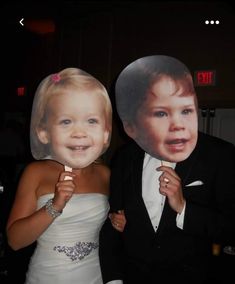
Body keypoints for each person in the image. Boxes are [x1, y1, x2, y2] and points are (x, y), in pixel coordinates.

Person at [99, 55, 235, 284]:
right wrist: (114, 278)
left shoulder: (220, 155)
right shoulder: (125, 158)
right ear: (133, 122)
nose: (178, 124)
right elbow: (113, 220)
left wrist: (183, 207)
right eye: (161, 113)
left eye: (185, 110)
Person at [6, 67, 113, 284]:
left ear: (105, 132)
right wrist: (55, 205)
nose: (79, 132)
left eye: (91, 121)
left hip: (95, 275)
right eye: (66, 121)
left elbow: (106, 230)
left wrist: (118, 222)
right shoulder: (36, 172)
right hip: (48, 276)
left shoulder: (104, 173)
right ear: (44, 132)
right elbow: (15, 240)